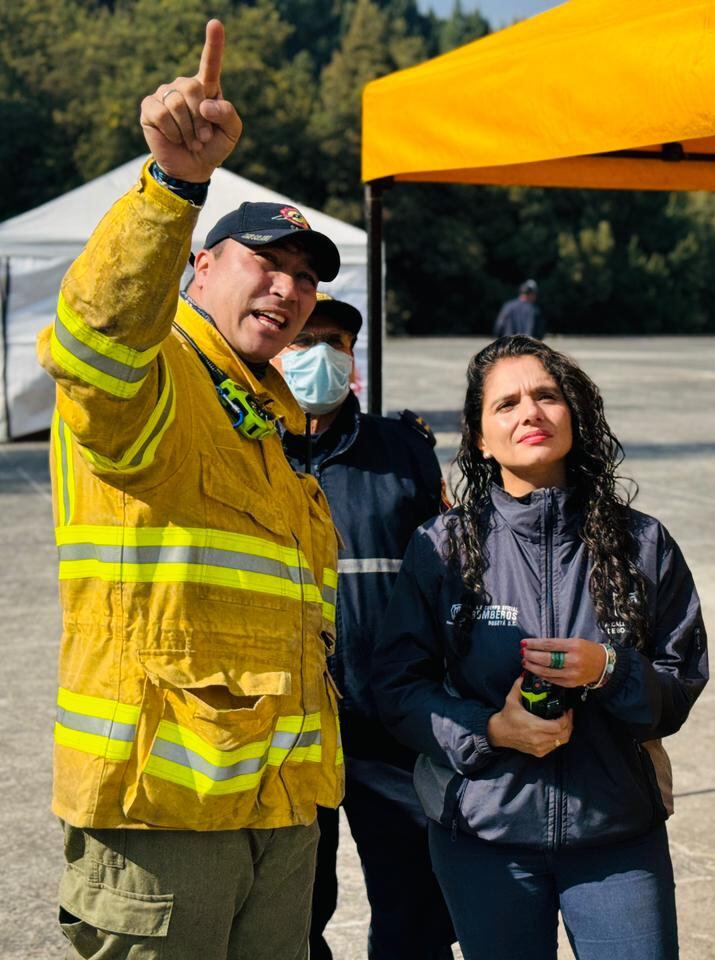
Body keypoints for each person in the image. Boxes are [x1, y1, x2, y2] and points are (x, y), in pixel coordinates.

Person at [37, 20, 344, 958]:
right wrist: (173, 188)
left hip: (279, 808)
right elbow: (93, 341)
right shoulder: (158, 374)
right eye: (265, 264)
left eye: (303, 279)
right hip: (164, 814)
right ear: (199, 267)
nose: (288, 291)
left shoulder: (271, 410)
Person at [372, 335, 708, 960]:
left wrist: (611, 670)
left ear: (574, 416)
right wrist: (490, 729)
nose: (530, 412)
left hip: (617, 836)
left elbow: (679, 685)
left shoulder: (643, 543)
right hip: (483, 836)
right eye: (506, 404)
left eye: (547, 396)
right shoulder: (441, 547)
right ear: (478, 436)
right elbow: (398, 689)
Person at [272, 295, 455, 959]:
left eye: (335, 340)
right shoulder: (246, 449)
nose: (320, 353)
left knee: (416, 905)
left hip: (391, 728)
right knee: (288, 910)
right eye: (302, 338)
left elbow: (446, 582)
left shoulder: (405, 451)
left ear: (352, 356)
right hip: (286, 733)